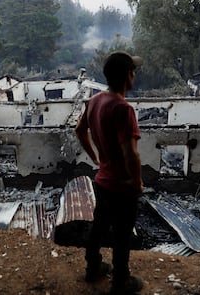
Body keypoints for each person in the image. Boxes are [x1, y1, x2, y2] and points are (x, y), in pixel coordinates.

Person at [75, 51, 144, 294]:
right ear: (127, 76)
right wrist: (136, 182)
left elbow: (79, 130)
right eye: (133, 71)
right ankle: (121, 281)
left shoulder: (95, 101)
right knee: (122, 235)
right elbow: (131, 154)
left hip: (102, 182)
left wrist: (93, 156)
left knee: (100, 226)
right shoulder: (123, 109)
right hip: (121, 186)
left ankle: (93, 267)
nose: (134, 74)